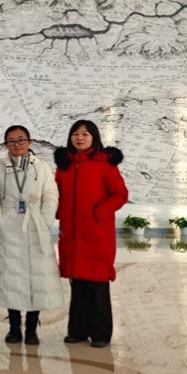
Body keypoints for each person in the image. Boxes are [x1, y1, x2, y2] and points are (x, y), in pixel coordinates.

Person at [53, 119, 128, 348]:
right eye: (76, 134)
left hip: (96, 233)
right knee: (77, 285)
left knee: (97, 284)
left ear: (94, 138)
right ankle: (77, 331)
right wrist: (58, 212)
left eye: (85, 134)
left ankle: (101, 334)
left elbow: (120, 194)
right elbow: (56, 195)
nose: (80, 138)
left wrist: (98, 212)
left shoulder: (105, 164)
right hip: (72, 234)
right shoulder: (64, 166)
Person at [0, 125, 62, 345]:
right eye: (12, 141)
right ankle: (13, 327)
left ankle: (31, 328)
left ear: (29, 142)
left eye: (21, 140)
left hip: (36, 225)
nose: (17, 144)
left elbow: (51, 195)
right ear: (5, 144)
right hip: (10, 226)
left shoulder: (42, 167)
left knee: (36, 277)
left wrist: (45, 221)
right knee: (11, 277)